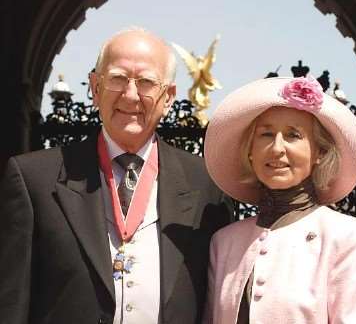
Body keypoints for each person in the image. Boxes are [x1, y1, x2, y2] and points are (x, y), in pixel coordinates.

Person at [0, 28, 233, 324]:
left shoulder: (207, 184)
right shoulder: (33, 179)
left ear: (169, 97)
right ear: (95, 88)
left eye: (147, 82)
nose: (131, 95)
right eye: (118, 79)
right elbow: (11, 305)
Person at [203, 76, 356, 323]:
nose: (277, 148)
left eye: (293, 135)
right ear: (250, 151)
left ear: (319, 152)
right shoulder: (224, 242)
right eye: (266, 134)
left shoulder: (350, 237)